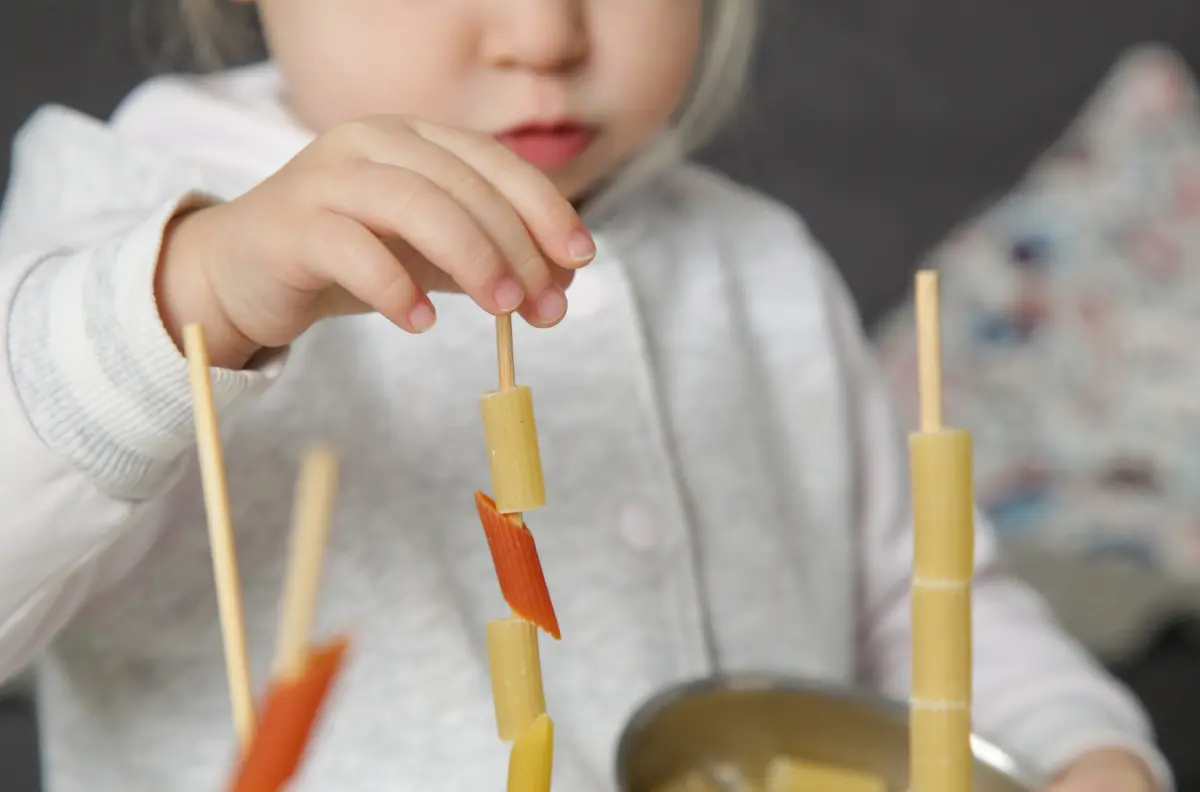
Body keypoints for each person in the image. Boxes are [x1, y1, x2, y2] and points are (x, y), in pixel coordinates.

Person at [0, 1, 1171, 790]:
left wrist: (1078, 749)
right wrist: (188, 298)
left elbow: (919, 600)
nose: (542, 34)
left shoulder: (759, 263)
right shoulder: (119, 217)